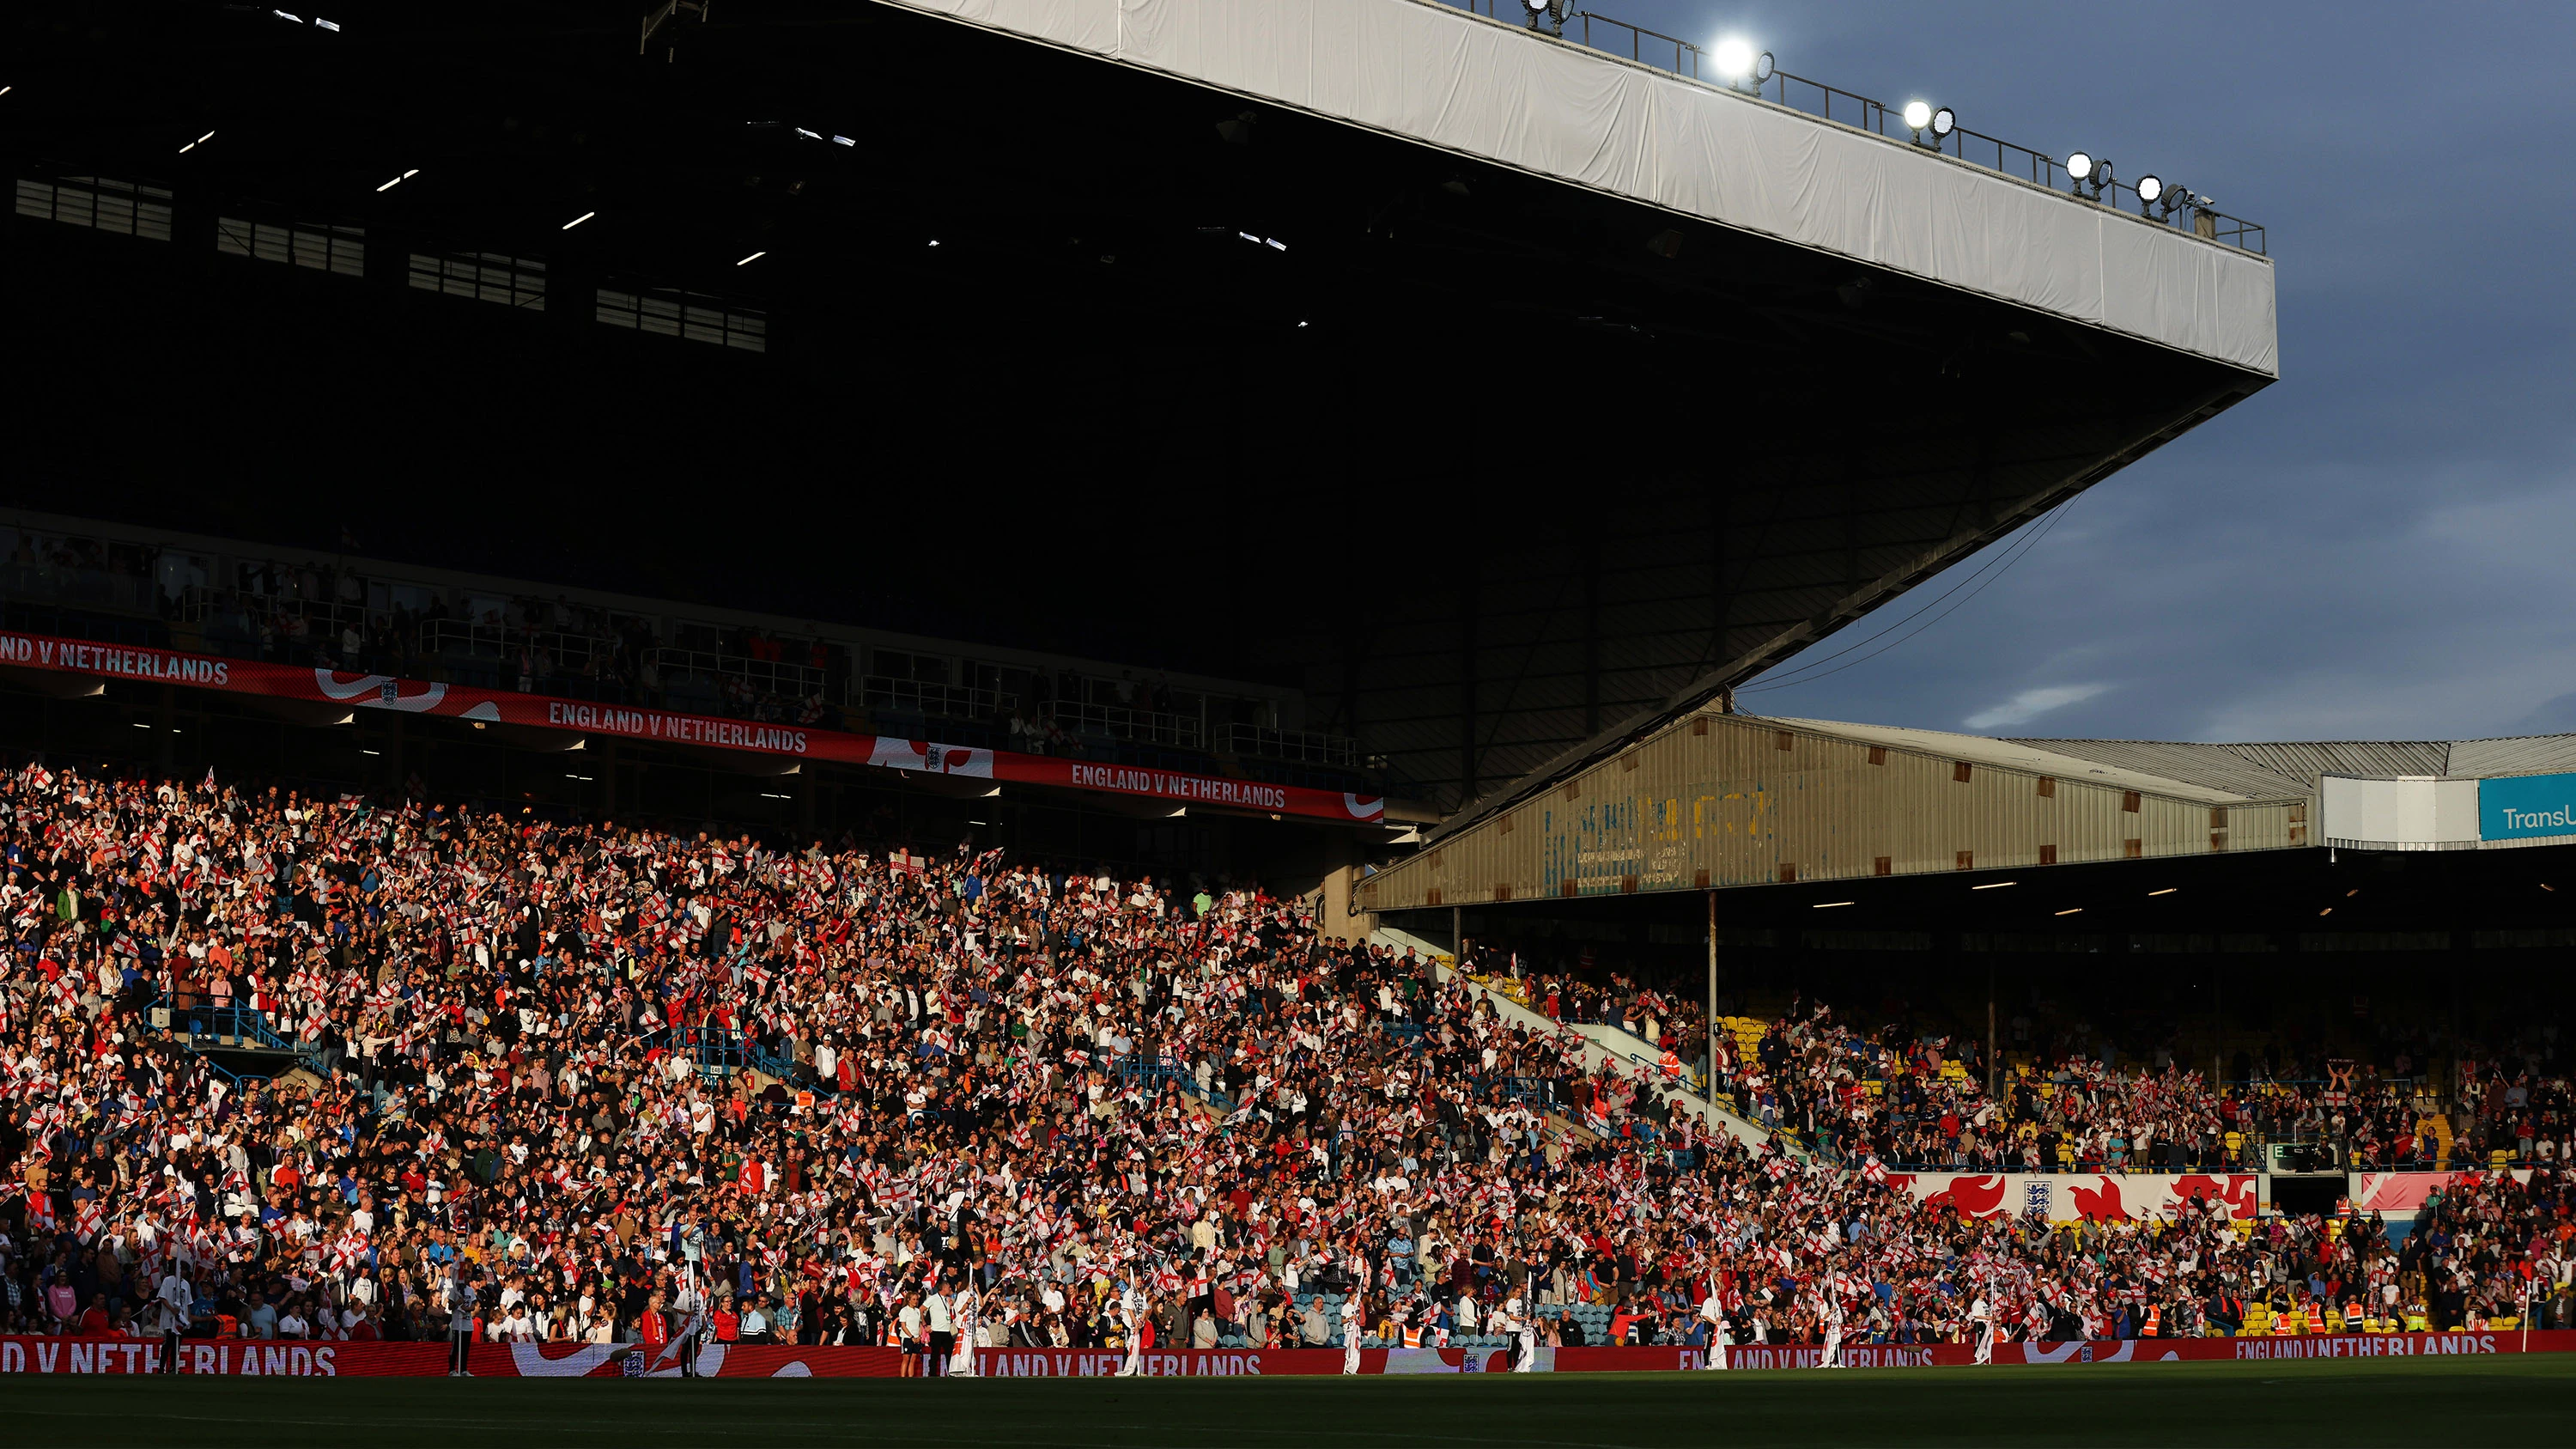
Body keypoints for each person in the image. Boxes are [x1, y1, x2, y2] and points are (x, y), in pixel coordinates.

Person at [154, 1264, 192, 1375]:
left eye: (185, 1270)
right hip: (169, 1319)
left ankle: (173, 1367)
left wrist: (188, 1318)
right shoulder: (168, 1280)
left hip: (181, 1319)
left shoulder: (186, 1284)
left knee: (177, 1345)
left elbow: (188, 1302)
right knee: (167, 1344)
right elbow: (162, 1297)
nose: (183, 1272)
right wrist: (172, 1309)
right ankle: (161, 1368)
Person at [444, 1269, 478, 1377]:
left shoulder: (470, 1291)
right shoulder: (454, 1290)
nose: (467, 1280)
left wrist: (468, 1308)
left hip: (467, 1323)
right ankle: (452, 1369)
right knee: (455, 1348)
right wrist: (457, 1303)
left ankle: (463, 1369)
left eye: (469, 1278)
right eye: (466, 1278)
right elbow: (450, 1306)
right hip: (457, 1323)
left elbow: (474, 1305)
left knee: (465, 1349)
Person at [1341, 1294, 1363, 1376]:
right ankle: (1348, 1368)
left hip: (1355, 1330)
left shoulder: (1356, 1307)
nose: (1356, 1298)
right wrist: (1350, 1318)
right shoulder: (1346, 1307)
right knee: (1350, 1350)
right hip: (1349, 1330)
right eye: (1355, 1297)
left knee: (1355, 1350)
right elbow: (1342, 1321)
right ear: (1350, 1297)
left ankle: (1352, 1368)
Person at [1971, 1294, 1996, 1367]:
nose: (1984, 1294)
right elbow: (1975, 1315)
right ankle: (1977, 1359)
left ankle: (1981, 1359)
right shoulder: (1976, 1303)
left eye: (1985, 1293)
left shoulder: (1984, 1302)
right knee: (1979, 1341)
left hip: (1986, 1324)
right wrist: (1986, 1318)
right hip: (1979, 1323)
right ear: (1978, 1293)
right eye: (1982, 1292)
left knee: (1984, 1342)